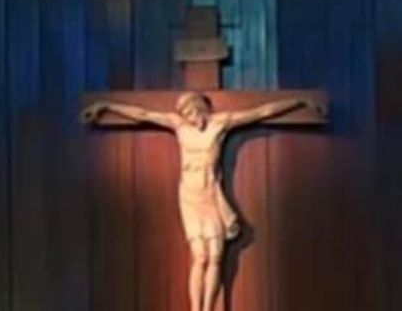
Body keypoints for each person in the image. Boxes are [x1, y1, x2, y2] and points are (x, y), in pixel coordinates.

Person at [83, 92, 324, 311]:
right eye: (186, 114)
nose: (191, 118)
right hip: (190, 195)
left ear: (201, 108)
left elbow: (262, 112)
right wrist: (107, 106)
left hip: (211, 193)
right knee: (199, 256)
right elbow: (143, 114)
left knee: (216, 255)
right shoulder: (178, 125)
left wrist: (299, 102)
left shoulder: (221, 123)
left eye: (192, 111)